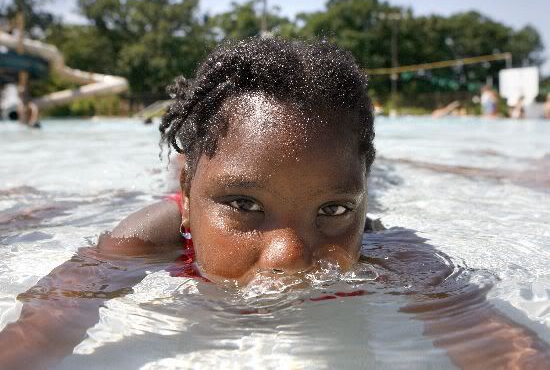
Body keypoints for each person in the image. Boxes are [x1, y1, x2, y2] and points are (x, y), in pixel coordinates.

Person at [1, 38, 549, 369]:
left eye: (334, 210)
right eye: (243, 204)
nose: (289, 253)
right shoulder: (151, 234)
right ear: (188, 195)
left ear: (361, 196)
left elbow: (484, 333)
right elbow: (50, 320)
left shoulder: (383, 243)